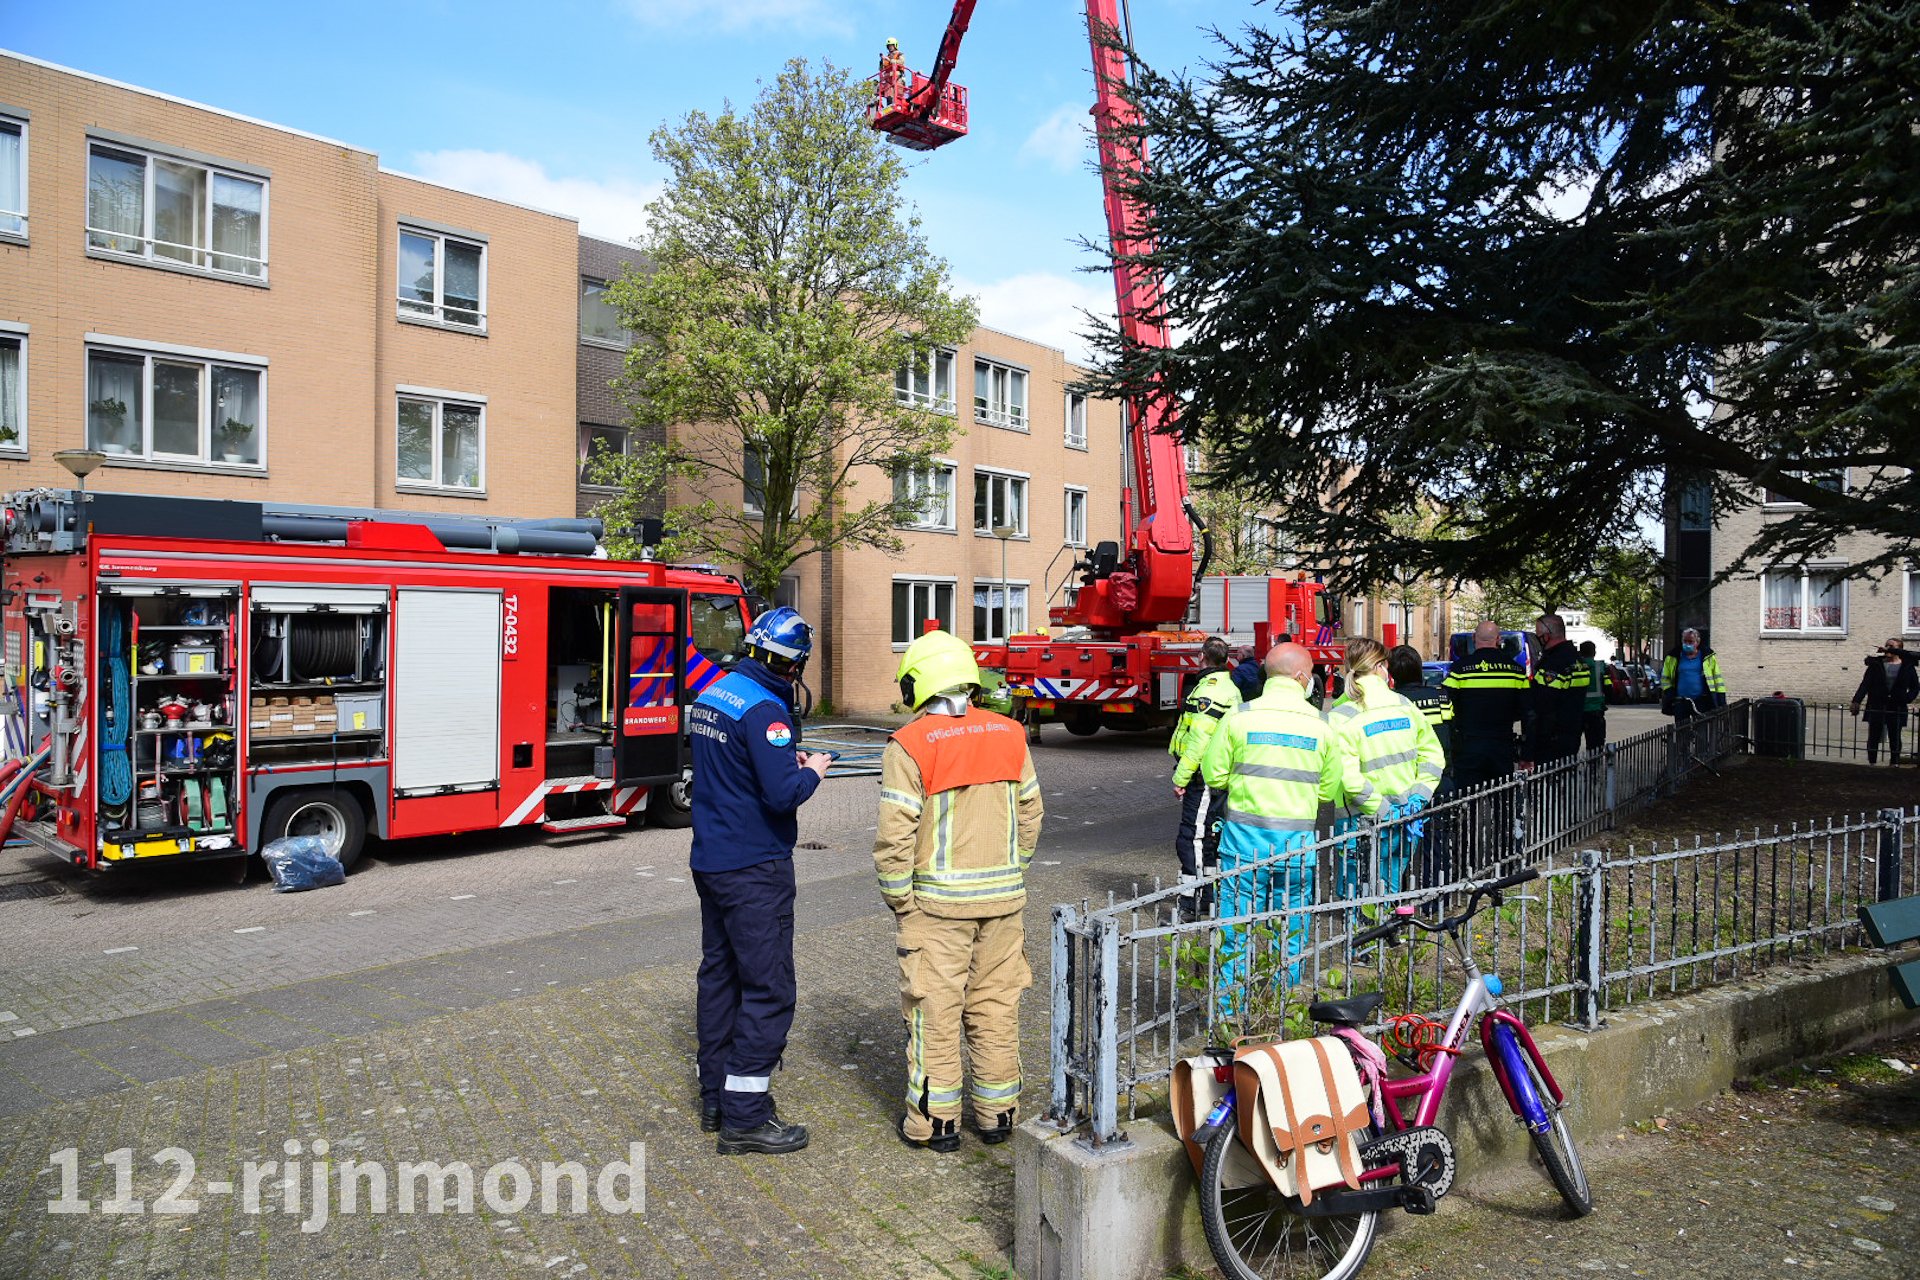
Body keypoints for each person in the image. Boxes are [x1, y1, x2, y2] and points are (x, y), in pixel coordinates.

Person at [875, 630, 1044, 1152]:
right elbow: (1032, 815)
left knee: (935, 1013)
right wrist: (1011, 871)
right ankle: (998, 1116)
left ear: (918, 684)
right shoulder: (1011, 734)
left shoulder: (910, 744)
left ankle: (936, 1124)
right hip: (1004, 903)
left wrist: (900, 900)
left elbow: (895, 835)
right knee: (996, 1008)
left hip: (936, 908)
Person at [688, 606, 832, 1156]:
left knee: (720, 978)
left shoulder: (715, 693)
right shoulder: (768, 710)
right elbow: (782, 795)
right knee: (769, 988)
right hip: (755, 869)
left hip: (712, 861)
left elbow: (735, 767)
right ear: (793, 664)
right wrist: (811, 770)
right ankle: (746, 1118)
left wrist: (780, 760)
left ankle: (715, 1098)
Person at [1199, 643, 1358, 999]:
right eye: (1311, 674)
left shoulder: (1238, 717)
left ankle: (1229, 1008)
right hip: (1296, 849)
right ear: (1301, 677)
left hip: (1243, 847)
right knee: (1291, 931)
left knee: (1235, 930)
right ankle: (1282, 1004)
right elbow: (1327, 790)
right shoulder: (1322, 725)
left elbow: (1214, 774)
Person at [1327, 638, 1446, 899]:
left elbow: (1349, 779)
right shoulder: (1404, 706)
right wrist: (1417, 799)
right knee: (1389, 891)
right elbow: (1433, 756)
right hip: (1406, 817)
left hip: (1360, 821)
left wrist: (1384, 810)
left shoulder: (1341, 717)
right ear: (1380, 667)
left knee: (1357, 896)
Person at [1169, 636, 1237, 890]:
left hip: (1202, 775)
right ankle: (1210, 895)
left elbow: (1199, 740)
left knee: (1192, 837)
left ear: (1202, 657)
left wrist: (1181, 778)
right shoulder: (1229, 687)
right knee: (1210, 836)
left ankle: (1194, 899)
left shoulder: (1208, 691)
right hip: (1215, 772)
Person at [1388, 644, 1453, 887]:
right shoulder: (1440, 697)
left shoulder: (1393, 703)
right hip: (1437, 779)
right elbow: (1449, 734)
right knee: (1436, 842)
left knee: (1397, 847)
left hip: (1404, 783)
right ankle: (1436, 895)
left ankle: (1399, 896)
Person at [1441, 621, 1527, 790]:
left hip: (1469, 747)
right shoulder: (1516, 671)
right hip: (1502, 746)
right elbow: (1527, 713)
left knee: (1468, 797)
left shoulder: (1460, 670)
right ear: (1499, 639)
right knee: (1502, 798)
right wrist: (1527, 752)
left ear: (1474, 638)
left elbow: (1446, 705)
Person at [1521, 613, 1589, 768]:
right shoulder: (1577, 660)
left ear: (1547, 636)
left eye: (1538, 635)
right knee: (1566, 777)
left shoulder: (1553, 663)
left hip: (1550, 740)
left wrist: (1528, 751)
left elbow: (1541, 707)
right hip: (1572, 734)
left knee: (1549, 781)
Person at [1850, 638, 1917, 765]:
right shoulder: (1876, 664)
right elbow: (1865, 684)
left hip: (1897, 705)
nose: (1887, 648)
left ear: (1899, 650)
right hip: (1877, 704)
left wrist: (1907, 698)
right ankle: (1872, 763)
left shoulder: (1907, 666)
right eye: (1886, 645)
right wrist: (1856, 701)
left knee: (1895, 736)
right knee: (1874, 735)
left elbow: (1915, 687)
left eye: (1891, 646)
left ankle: (1894, 763)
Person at [1660, 627, 1726, 726]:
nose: (1687, 644)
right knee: (1682, 730)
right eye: (1685, 641)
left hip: (1701, 701)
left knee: (1701, 729)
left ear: (1697, 642)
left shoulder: (1708, 657)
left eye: (1690, 642)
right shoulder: (1673, 657)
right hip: (1680, 701)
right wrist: (1669, 692)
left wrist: (1721, 700)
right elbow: (1665, 678)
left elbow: (1717, 679)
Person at [1578, 640, 1607, 752]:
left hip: (1579, 711)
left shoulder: (1575, 667)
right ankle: (1594, 762)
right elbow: (1608, 687)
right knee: (1595, 745)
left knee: (1572, 745)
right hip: (1596, 710)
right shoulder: (1601, 667)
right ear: (1594, 652)